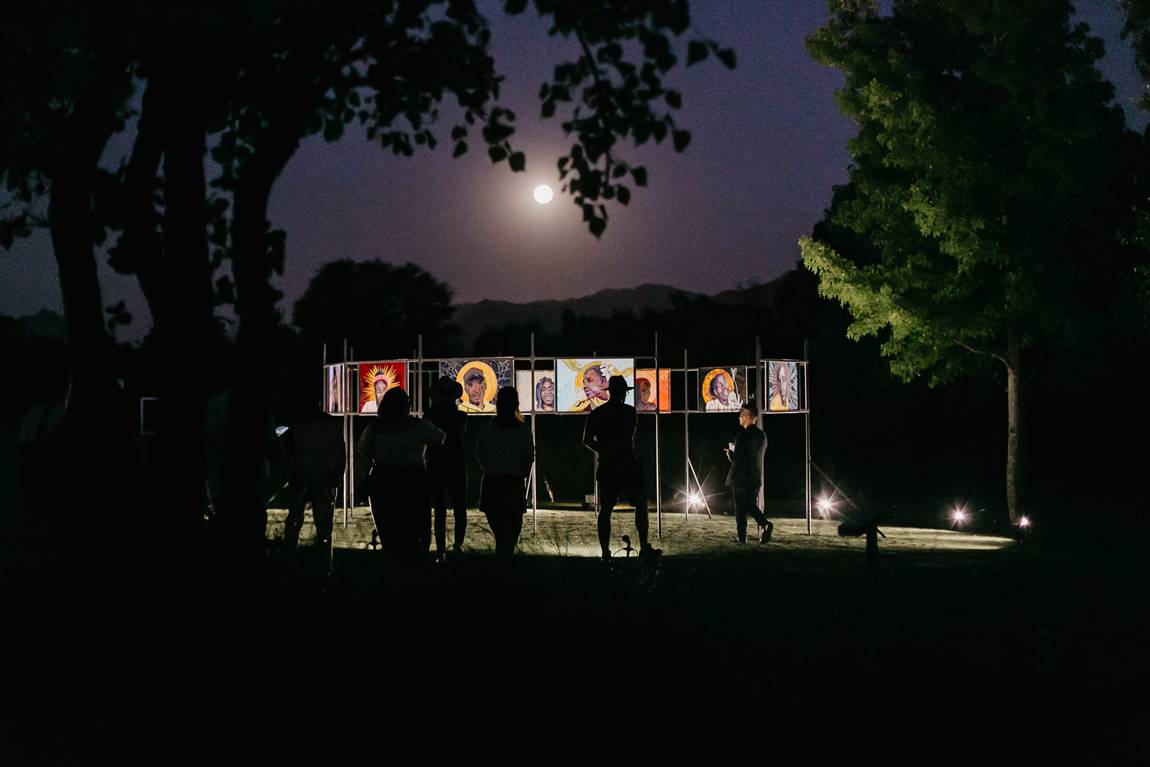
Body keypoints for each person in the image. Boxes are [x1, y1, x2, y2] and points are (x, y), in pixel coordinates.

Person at [358, 388, 445, 561]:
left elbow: (365, 451)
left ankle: (393, 562)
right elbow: (440, 437)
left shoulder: (374, 428)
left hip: (383, 480)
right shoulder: (418, 426)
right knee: (416, 526)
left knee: (388, 527)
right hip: (413, 479)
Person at [583, 375, 661, 561]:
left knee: (606, 508)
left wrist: (604, 450)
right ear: (623, 393)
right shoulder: (629, 412)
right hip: (627, 464)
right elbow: (627, 437)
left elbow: (586, 440)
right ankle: (643, 547)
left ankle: (605, 552)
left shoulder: (597, 413)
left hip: (608, 465)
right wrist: (614, 450)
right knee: (640, 503)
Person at [282, 409, 346, 571]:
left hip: (301, 479)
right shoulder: (332, 424)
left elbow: (287, 453)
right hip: (324, 481)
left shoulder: (296, 424)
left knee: (294, 522)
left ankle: (290, 563)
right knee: (324, 529)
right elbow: (339, 451)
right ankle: (324, 567)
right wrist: (334, 476)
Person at [475, 387, 534, 559]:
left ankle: (501, 563)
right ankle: (505, 563)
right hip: (513, 482)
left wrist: (489, 467)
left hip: (492, 481)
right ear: (516, 404)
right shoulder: (522, 430)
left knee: (500, 531)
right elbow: (529, 456)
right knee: (511, 531)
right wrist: (522, 473)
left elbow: (480, 454)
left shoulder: (486, 429)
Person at [425, 376, 468, 561]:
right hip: (456, 461)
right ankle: (458, 544)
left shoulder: (429, 415)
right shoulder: (461, 416)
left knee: (439, 508)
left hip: (435, 462)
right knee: (459, 506)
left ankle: (441, 549)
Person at [724, 402, 772, 544]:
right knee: (750, 504)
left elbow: (738, 459)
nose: (739, 417)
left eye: (741, 415)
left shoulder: (742, 436)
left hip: (741, 477)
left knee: (740, 508)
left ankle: (742, 537)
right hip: (756, 477)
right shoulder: (762, 436)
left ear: (748, 417)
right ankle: (765, 524)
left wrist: (730, 454)